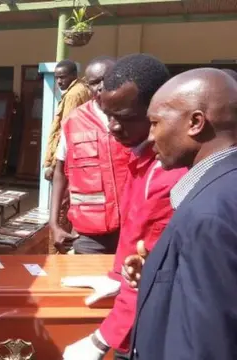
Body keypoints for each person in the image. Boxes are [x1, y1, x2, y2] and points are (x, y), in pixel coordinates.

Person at [62, 54, 187, 360]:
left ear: (158, 110)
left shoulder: (167, 172)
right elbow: (135, 237)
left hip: (152, 321)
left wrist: (101, 340)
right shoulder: (140, 156)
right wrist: (116, 276)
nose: (114, 127)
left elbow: (152, 269)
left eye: (126, 117)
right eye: (109, 116)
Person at [124, 68, 237, 360]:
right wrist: (159, 271)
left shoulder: (209, 214)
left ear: (195, 123)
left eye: (155, 123)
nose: (149, 137)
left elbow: (206, 344)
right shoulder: (222, 189)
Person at [49, 56, 128, 255]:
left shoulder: (136, 119)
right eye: (94, 83)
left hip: (131, 229)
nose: (100, 87)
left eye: (106, 79)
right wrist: (54, 224)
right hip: (89, 234)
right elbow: (60, 172)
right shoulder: (74, 121)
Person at [42, 59, 91, 181]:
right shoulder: (83, 89)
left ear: (74, 75)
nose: (59, 81)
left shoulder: (72, 95)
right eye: (57, 78)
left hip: (68, 158)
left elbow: (65, 131)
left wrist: (53, 166)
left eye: (63, 77)